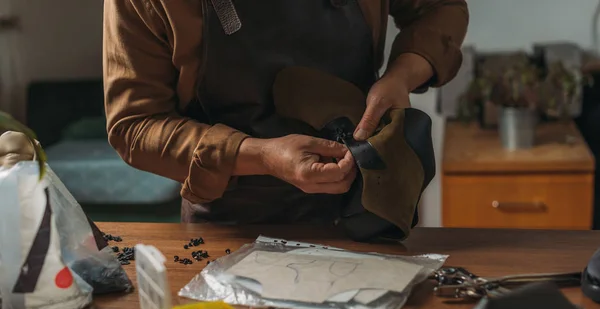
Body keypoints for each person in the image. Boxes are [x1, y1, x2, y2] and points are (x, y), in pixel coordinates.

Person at [103, 0, 469, 224]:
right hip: (235, 225)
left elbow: (439, 7)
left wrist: (401, 77)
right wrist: (262, 156)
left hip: (371, 205)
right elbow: (134, 125)